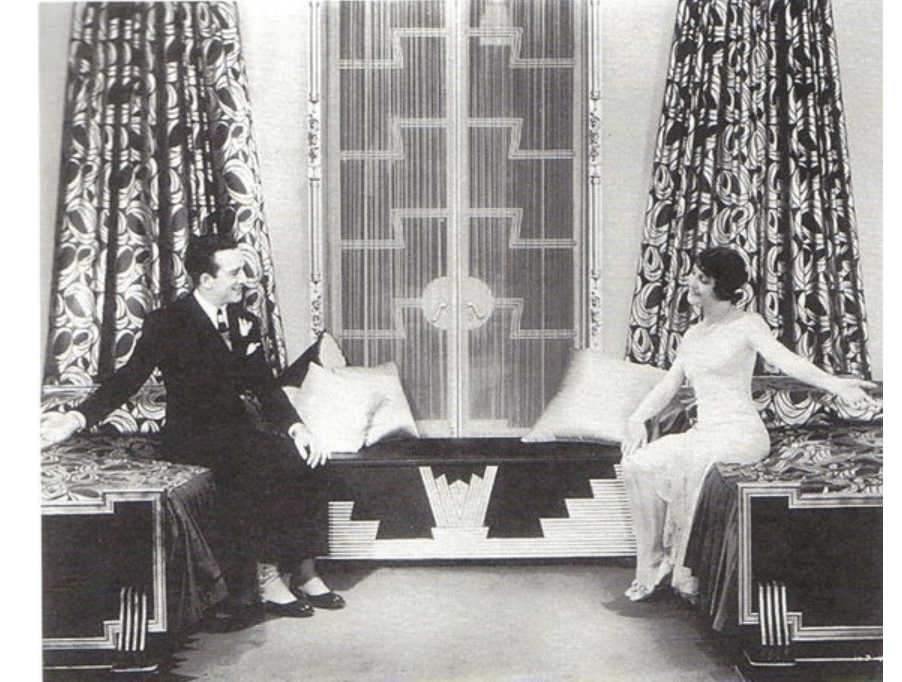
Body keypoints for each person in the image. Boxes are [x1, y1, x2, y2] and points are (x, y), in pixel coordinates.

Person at [41, 232, 346, 618]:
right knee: (264, 462)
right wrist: (76, 417)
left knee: (309, 457)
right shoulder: (167, 323)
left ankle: (304, 571)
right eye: (234, 273)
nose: (243, 280)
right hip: (192, 437)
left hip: (237, 432)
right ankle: (267, 577)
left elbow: (265, 387)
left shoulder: (245, 322)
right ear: (206, 279)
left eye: (243, 271)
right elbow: (129, 377)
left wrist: (298, 428)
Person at [620, 246, 877, 602]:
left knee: (696, 465)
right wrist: (637, 418)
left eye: (703, 279)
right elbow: (668, 385)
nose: (691, 282)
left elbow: (786, 360)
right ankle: (653, 564)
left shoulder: (747, 324)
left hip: (741, 435)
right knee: (636, 465)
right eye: (694, 274)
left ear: (722, 288)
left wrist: (837, 385)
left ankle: (686, 570)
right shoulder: (693, 335)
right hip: (704, 434)